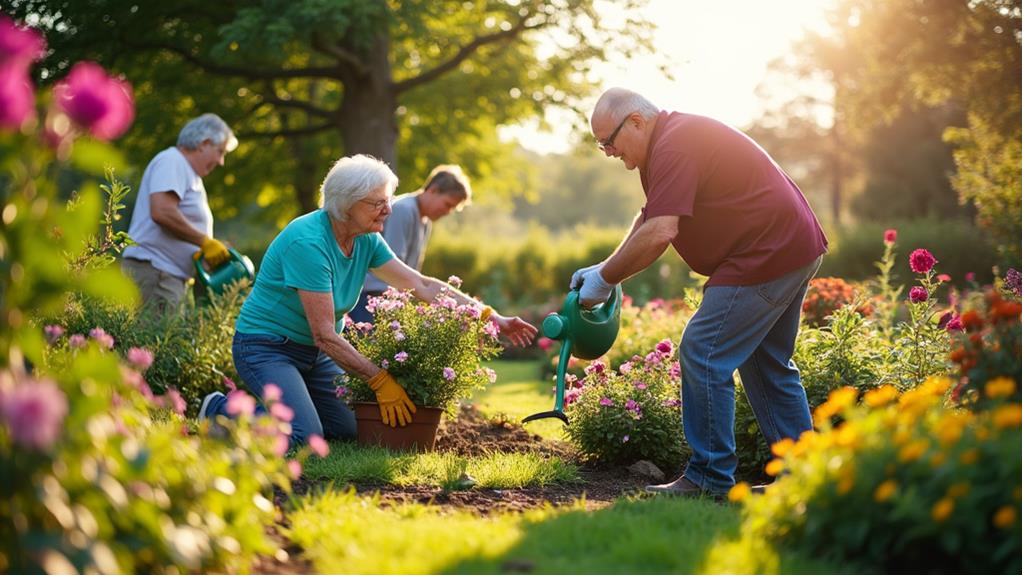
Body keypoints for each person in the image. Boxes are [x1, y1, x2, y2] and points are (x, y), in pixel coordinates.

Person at [573, 88, 828, 499]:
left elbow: (661, 232)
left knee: (703, 350)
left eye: (608, 140)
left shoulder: (676, 142)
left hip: (765, 251)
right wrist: (604, 269)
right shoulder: (665, 144)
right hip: (789, 246)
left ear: (636, 122)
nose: (606, 151)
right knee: (767, 365)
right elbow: (649, 218)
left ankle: (709, 478)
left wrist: (605, 281)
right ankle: (806, 481)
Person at [199, 155, 537, 449]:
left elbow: (419, 283)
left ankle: (290, 412)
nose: (388, 209)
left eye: (387, 200)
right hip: (268, 347)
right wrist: (378, 379)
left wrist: (492, 318)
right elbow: (325, 334)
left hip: (315, 355)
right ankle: (219, 409)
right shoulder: (308, 243)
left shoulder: (366, 239)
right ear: (346, 204)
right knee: (304, 435)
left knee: (350, 430)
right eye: (377, 202)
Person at [121, 113, 237, 312]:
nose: (221, 161)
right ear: (204, 143)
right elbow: (162, 211)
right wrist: (204, 242)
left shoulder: (189, 174)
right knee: (149, 342)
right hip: (155, 274)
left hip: (166, 276)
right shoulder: (172, 161)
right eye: (220, 152)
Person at [347, 164, 471, 324]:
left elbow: (413, 269)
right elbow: (393, 263)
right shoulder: (404, 210)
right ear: (433, 190)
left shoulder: (425, 221)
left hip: (389, 296)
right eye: (448, 204)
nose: (448, 212)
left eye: (453, 208)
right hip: (370, 296)